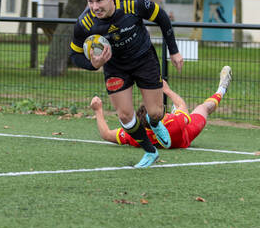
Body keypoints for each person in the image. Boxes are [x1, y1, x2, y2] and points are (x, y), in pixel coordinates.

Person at [70, 0, 183, 168]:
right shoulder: (84, 23)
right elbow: (74, 54)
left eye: (99, 0)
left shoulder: (134, 3)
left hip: (144, 59)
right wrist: (94, 64)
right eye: (90, 1)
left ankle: (154, 123)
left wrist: (174, 50)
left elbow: (162, 17)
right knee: (125, 115)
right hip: (116, 66)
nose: (95, 6)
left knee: (155, 112)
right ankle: (150, 151)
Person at [90, 66, 232, 161]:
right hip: (185, 135)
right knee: (203, 108)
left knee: (181, 110)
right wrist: (167, 90)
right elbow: (182, 105)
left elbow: (106, 134)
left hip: (168, 134)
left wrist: (98, 110)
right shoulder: (173, 123)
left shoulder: (134, 133)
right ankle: (221, 89)